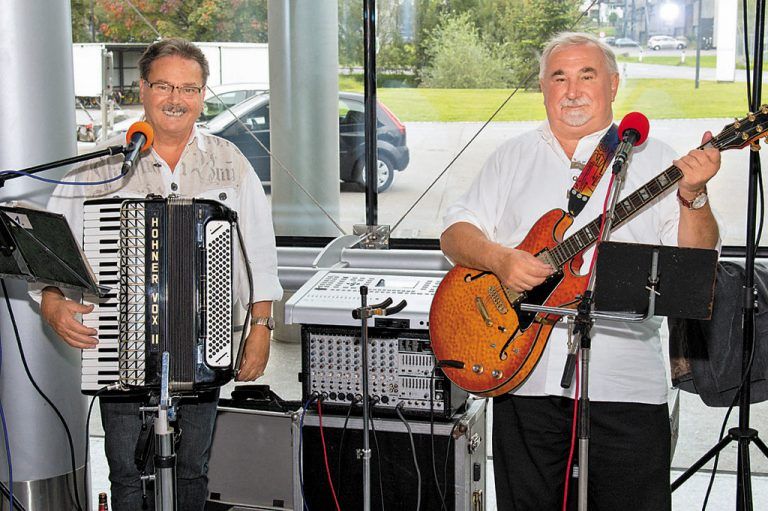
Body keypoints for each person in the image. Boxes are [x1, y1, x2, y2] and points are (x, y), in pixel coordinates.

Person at [440, 32, 720, 510]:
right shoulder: (513, 155)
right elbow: (454, 232)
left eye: (586, 76)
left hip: (624, 384)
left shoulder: (660, 161)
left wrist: (694, 195)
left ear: (613, 84)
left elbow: (694, 261)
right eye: (558, 77)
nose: (571, 90)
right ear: (543, 88)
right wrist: (501, 259)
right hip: (520, 375)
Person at [36, 38, 282, 510]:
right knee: (126, 472)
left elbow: (260, 249)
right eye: (165, 85)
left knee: (194, 470)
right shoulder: (100, 163)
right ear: (143, 89)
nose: (177, 98)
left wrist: (262, 327)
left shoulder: (229, 161)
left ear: (203, 95)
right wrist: (50, 298)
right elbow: (55, 245)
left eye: (189, 88)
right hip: (119, 347)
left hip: (204, 347)